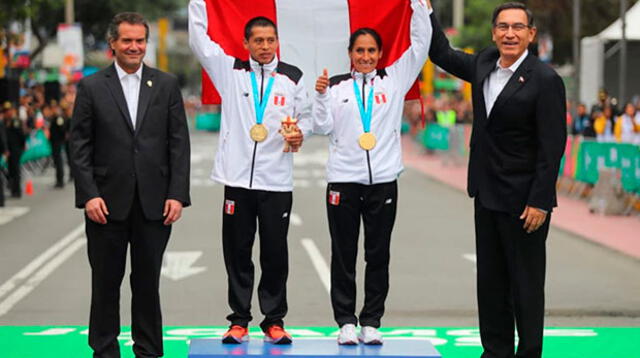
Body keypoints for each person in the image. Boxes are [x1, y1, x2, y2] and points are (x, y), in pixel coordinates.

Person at [428, 2, 567, 357]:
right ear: (493, 33)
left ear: (530, 35)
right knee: (490, 284)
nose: (509, 33)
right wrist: (424, 9)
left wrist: (540, 200)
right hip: (486, 194)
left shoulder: (546, 80)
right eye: (503, 27)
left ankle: (529, 352)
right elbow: (440, 52)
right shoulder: (484, 64)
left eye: (518, 27)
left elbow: (552, 147)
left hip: (524, 203)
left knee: (526, 286)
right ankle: (495, 351)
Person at [189, 0, 309, 345]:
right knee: (237, 251)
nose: (265, 46)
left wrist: (299, 132)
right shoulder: (230, 71)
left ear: (277, 42)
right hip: (237, 180)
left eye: (270, 40)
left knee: (275, 252)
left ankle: (274, 320)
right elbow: (198, 39)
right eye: (258, 40)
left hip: (277, 181)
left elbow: (307, 119)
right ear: (246, 43)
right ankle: (239, 319)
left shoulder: (293, 78)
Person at [70, 12, 190, 358]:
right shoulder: (92, 86)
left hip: (154, 204)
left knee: (147, 284)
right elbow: (79, 146)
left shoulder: (165, 84)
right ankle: (104, 350)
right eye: (127, 40)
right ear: (113, 44)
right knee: (106, 285)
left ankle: (149, 350)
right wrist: (89, 195)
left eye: (140, 41)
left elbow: (178, 143)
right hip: (105, 205)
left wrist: (177, 194)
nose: (134, 47)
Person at [313, 0, 432, 345]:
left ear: (380, 53)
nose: (365, 56)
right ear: (350, 53)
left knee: (378, 253)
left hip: (383, 181)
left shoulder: (395, 79)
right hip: (343, 181)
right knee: (343, 252)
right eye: (359, 50)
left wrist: (421, 7)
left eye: (371, 51)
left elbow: (420, 43)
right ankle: (346, 322)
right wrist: (320, 97)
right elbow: (321, 127)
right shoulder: (335, 87)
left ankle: (372, 321)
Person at [3, 102, 27, 198]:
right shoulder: (5, 121)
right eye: (6, 111)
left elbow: (21, 134)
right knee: (11, 169)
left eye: (9, 110)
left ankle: (17, 191)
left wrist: (23, 145)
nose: (8, 112)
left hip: (16, 148)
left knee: (16, 170)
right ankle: (12, 189)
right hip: (8, 148)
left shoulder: (15, 121)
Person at [46, 100, 69, 188]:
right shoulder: (54, 117)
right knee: (57, 161)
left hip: (57, 142)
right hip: (54, 141)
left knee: (59, 161)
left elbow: (62, 129)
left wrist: (61, 139)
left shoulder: (58, 118)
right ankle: (59, 180)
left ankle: (60, 180)